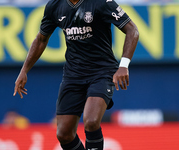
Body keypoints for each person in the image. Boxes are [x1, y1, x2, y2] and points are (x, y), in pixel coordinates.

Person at [13, 0, 139, 149]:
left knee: (91, 121)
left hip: (101, 71)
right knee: (64, 134)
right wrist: (24, 71)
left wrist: (124, 65)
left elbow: (132, 30)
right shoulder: (54, 6)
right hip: (74, 74)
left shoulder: (101, 3)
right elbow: (41, 39)